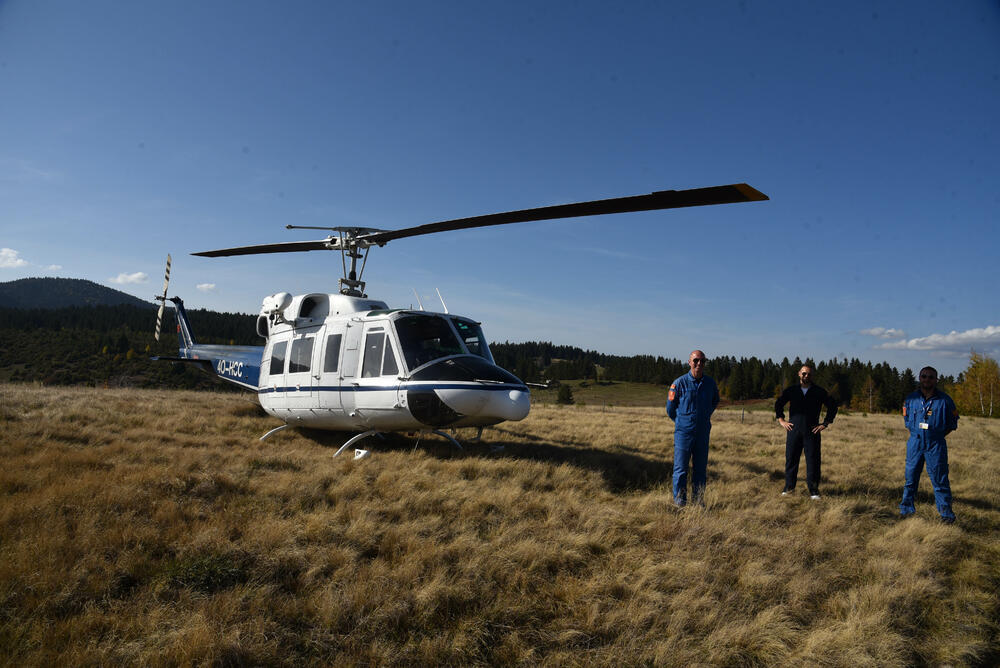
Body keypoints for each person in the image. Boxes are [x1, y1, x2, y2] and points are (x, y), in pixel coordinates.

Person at [900, 366, 959, 523]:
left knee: (940, 480)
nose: (927, 379)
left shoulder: (945, 401)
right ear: (920, 378)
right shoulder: (910, 399)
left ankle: (946, 515)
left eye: (931, 377)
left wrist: (936, 435)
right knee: (910, 479)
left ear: (936, 380)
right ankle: (906, 510)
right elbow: (906, 420)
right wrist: (918, 435)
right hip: (915, 443)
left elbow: (952, 423)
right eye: (924, 376)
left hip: (936, 444)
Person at [774, 364, 838, 499]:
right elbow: (778, 404)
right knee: (791, 459)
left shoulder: (819, 391)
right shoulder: (791, 390)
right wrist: (781, 420)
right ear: (799, 374)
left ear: (812, 376)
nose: (806, 376)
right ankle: (788, 488)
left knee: (813, 461)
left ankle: (814, 491)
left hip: (812, 431)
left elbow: (833, 406)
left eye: (808, 374)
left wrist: (825, 423)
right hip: (793, 430)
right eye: (804, 373)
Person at [666, 350, 720, 506]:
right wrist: (682, 422)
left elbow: (715, 400)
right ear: (689, 362)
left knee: (700, 470)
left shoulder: (710, 383)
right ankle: (679, 503)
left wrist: (704, 417)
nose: (699, 364)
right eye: (696, 360)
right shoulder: (679, 383)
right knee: (681, 470)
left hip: (702, 434)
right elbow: (670, 408)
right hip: (684, 434)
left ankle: (698, 502)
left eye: (702, 361)